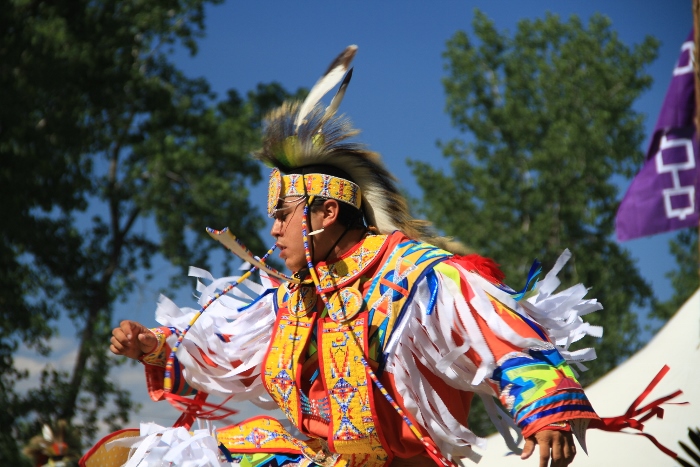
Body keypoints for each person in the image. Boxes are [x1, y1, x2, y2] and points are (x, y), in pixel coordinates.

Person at [108, 46, 604, 467]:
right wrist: (154, 344)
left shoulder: (416, 277)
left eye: (283, 215)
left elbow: (502, 338)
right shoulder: (294, 300)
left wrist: (546, 410)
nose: (274, 229)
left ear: (326, 213)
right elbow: (228, 351)